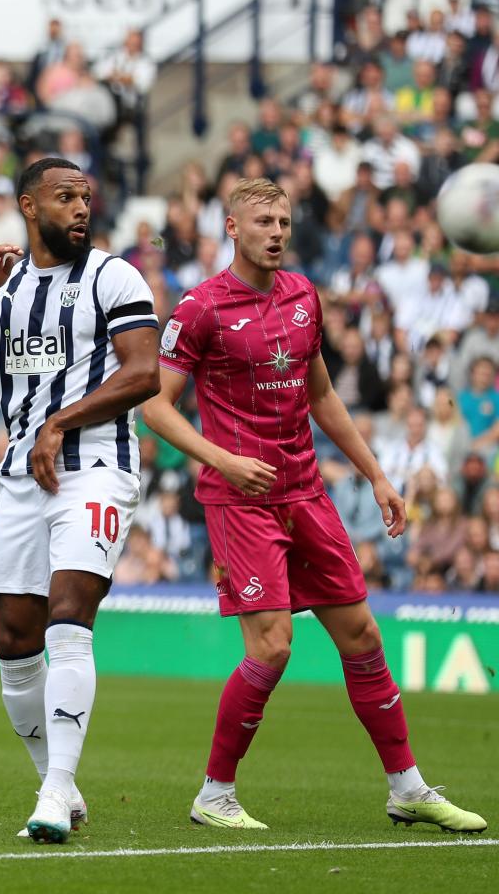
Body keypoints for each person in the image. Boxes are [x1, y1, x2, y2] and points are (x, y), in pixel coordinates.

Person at [140, 177, 486, 833]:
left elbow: (322, 395)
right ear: (234, 227)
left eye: (285, 220)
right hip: (239, 497)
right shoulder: (200, 308)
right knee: (272, 647)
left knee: (362, 636)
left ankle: (407, 787)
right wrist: (222, 459)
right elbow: (157, 406)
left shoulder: (304, 295)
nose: (277, 230)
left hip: (306, 491)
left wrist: (378, 475)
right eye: (264, 220)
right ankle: (214, 794)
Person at [0, 157, 161, 844]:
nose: (80, 209)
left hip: (96, 466)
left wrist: (60, 422)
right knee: (13, 638)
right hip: (20, 476)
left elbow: (145, 371)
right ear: (28, 207)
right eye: (64, 197)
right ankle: (55, 781)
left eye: (86, 197)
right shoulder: (4, 292)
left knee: (69, 616)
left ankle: (54, 788)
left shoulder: (112, 275)